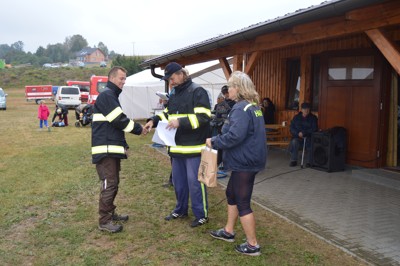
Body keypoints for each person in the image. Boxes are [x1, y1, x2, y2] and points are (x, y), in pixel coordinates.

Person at [206, 71, 267, 256]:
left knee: (242, 201)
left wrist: (214, 141)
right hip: (250, 159)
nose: (228, 89)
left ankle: (252, 245)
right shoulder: (253, 107)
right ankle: (228, 231)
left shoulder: (241, 109)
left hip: (245, 162)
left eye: (230, 86)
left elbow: (234, 136)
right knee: (231, 193)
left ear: (238, 89)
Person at [144, 62, 211, 228]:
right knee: (179, 183)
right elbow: (168, 113)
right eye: (168, 80)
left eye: (172, 78)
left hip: (194, 148)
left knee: (195, 183)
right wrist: (153, 120)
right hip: (175, 148)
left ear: (182, 74)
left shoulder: (198, 91)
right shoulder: (173, 94)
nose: (171, 82)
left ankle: (201, 215)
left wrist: (180, 122)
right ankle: (180, 209)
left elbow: (204, 117)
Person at [92, 66, 144, 233]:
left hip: (111, 148)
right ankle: (104, 221)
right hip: (105, 150)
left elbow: (114, 126)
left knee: (114, 183)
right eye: (121, 78)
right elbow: (119, 120)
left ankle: (110, 213)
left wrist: (124, 145)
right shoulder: (107, 95)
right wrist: (138, 129)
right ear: (112, 78)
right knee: (110, 184)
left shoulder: (111, 95)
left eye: (125, 78)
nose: (124, 81)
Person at [288, 102, 318, 167]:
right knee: (294, 142)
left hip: (308, 137)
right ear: (301, 110)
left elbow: (314, 128)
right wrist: (298, 133)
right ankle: (294, 160)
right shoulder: (296, 117)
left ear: (309, 110)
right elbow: (291, 128)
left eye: (307, 109)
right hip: (298, 137)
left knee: (311, 143)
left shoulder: (313, 118)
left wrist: (304, 133)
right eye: (304, 109)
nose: (306, 110)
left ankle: (309, 162)